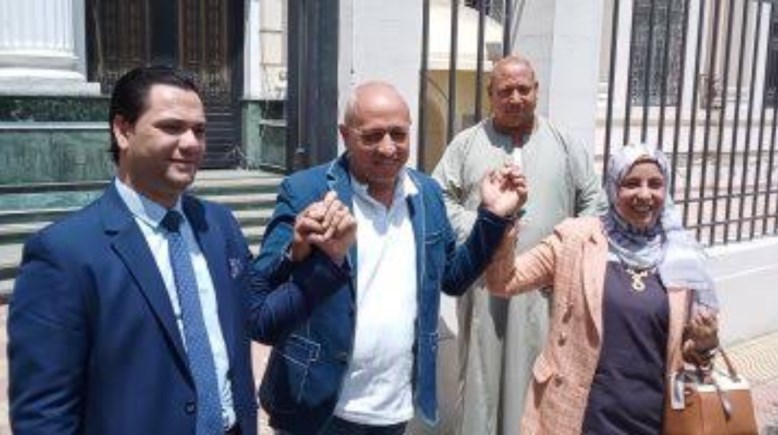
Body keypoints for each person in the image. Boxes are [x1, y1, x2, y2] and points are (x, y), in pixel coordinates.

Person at [249, 81, 526, 434]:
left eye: (398, 134)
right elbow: (263, 289)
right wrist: (298, 250)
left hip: (393, 408)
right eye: (372, 136)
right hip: (317, 407)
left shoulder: (426, 193)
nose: (388, 147)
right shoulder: (306, 190)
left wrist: (492, 216)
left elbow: (453, 279)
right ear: (345, 135)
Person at [7, 66, 257, 435]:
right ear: (123, 131)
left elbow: (257, 315)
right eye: (172, 127)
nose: (192, 143)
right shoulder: (64, 253)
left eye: (199, 130)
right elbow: (43, 415)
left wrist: (315, 258)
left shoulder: (218, 224)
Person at [484, 142, 719, 435]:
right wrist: (501, 218)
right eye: (631, 183)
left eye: (655, 184)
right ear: (613, 187)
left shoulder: (683, 256)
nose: (644, 194)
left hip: (653, 420)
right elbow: (503, 282)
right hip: (581, 419)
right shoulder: (576, 239)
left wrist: (705, 342)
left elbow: (689, 354)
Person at [431, 54, 606, 434]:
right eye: (505, 90)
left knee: (540, 374)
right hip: (484, 285)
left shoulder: (565, 144)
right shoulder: (466, 144)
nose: (515, 98)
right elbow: (437, 198)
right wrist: (484, 229)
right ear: (490, 94)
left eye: (523, 89)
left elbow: (595, 202)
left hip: (547, 290)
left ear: (536, 91)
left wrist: (564, 249)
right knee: (481, 378)